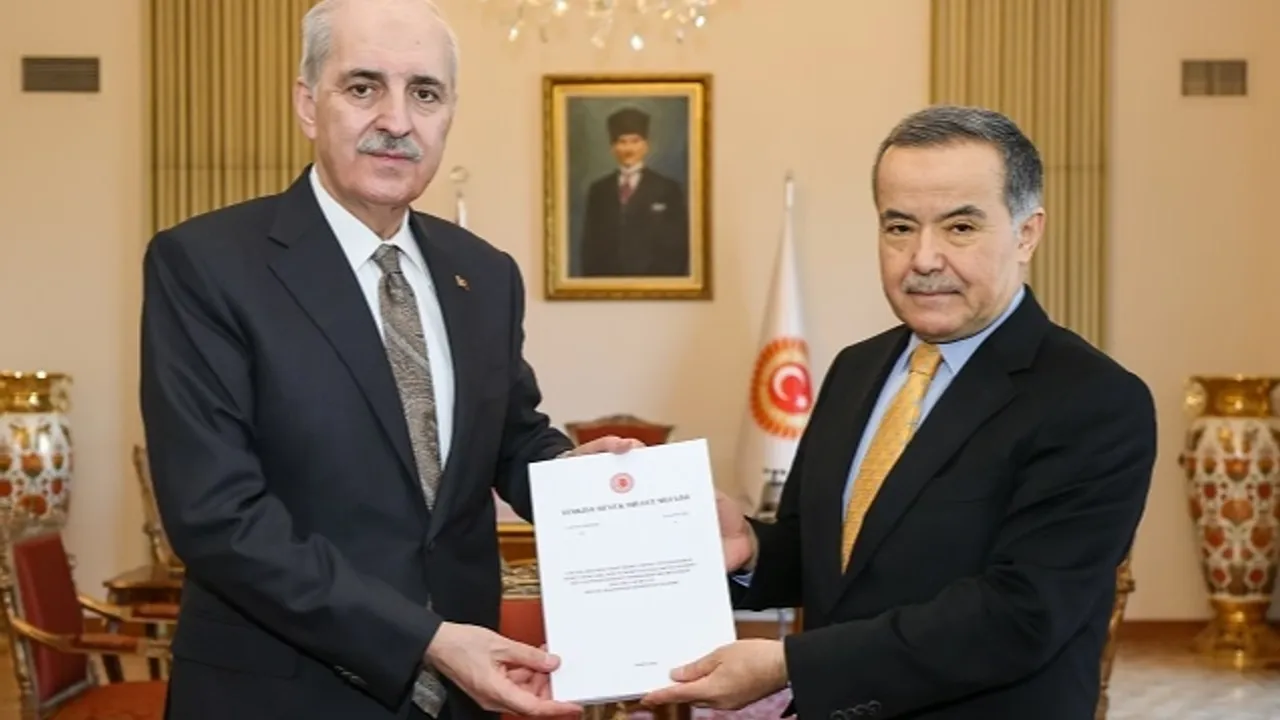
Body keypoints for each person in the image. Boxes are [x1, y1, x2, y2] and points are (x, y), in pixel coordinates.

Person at [139, 1, 638, 718]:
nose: (397, 120)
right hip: (278, 692)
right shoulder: (206, 265)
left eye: (425, 93)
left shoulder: (484, 274)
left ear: (449, 114)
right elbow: (217, 516)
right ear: (307, 105)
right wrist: (425, 639)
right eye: (363, 87)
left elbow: (510, 437)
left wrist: (575, 479)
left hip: (461, 697)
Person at [642, 105, 1157, 718]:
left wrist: (791, 665)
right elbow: (835, 559)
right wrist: (752, 546)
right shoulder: (857, 369)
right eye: (900, 227)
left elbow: (1019, 615)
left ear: (1027, 233)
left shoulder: (1095, 400)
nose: (923, 258)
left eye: (959, 227)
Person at [578, 106, 690, 277]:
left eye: (635, 141)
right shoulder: (599, 190)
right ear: (612, 148)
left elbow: (678, 246)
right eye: (622, 142)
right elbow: (589, 248)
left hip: (655, 283)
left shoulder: (668, 189)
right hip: (607, 284)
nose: (629, 149)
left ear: (646, 145)